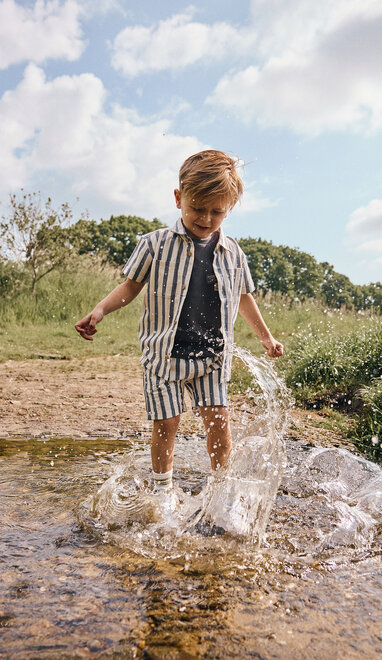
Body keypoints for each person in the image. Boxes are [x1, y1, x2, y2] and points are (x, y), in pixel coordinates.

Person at [75, 150, 283, 503]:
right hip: (164, 357)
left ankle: (221, 491)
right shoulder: (154, 244)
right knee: (167, 423)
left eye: (217, 211)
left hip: (213, 357)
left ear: (229, 208)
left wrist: (266, 336)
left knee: (219, 422)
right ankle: (162, 493)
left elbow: (243, 297)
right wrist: (100, 310)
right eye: (197, 208)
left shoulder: (233, 253)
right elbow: (130, 286)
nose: (205, 218)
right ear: (178, 199)